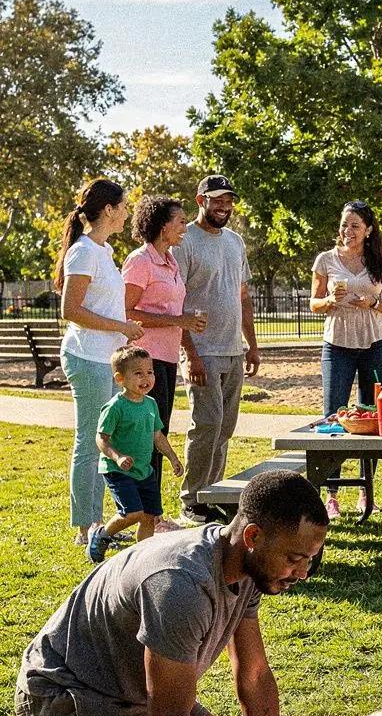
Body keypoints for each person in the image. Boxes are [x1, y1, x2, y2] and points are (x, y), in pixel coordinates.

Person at [0, 472, 356, 716]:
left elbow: (254, 676)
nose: (303, 573)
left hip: (136, 697)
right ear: (254, 536)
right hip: (68, 700)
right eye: (295, 558)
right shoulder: (181, 585)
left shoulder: (248, 568)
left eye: (310, 559)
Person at [55, 178, 144, 547]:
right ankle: (86, 528)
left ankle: (99, 524)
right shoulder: (84, 252)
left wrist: (122, 333)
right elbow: (70, 310)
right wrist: (121, 326)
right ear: (108, 210)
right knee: (91, 442)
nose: (127, 213)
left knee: (107, 440)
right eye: (124, 206)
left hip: (105, 358)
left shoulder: (104, 251)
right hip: (86, 357)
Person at [173, 174, 261, 527]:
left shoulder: (235, 242)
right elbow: (174, 302)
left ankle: (214, 494)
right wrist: (190, 353)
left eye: (229, 200)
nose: (225, 206)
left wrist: (251, 345)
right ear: (201, 201)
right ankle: (191, 499)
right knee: (206, 424)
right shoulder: (185, 242)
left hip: (232, 349)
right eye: (217, 200)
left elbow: (243, 297)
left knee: (225, 427)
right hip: (202, 350)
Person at [310, 200, 382, 518]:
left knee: (371, 417)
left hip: (375, 345)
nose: (347, 231)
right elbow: (313, 304)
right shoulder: (326, 260)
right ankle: (330, 494)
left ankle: (366, 492)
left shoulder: (381, 260)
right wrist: (327, 300)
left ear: (368, 230)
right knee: (333, 416)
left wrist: (373, 303)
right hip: (337, 346)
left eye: (355, 226)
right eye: (345, 225)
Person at [122, 195, 207, 502]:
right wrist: (176, 319)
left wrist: (185, 328)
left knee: (159, 432)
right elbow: (126, 311)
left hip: (167, 358)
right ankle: (146, 512)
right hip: (145, 359)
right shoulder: (140, 261)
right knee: (148, 438)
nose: (186, 226)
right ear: (162, 225)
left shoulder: (171, 262)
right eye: (181, 221)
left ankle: (150, 510)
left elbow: (174, 315)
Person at [86, 346, 184, 563]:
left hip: (144, 470)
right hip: (117, 470)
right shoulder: (115, 407)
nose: (146, 377)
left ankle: (142, 559)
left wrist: (173, 457)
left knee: (149, 516)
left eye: (149, 372)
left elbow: (158, 436)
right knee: (132, 513)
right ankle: (101, 535)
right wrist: (117, 457)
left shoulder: (150, 404)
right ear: (120, 378)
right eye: (138, 373)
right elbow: (101, 438)